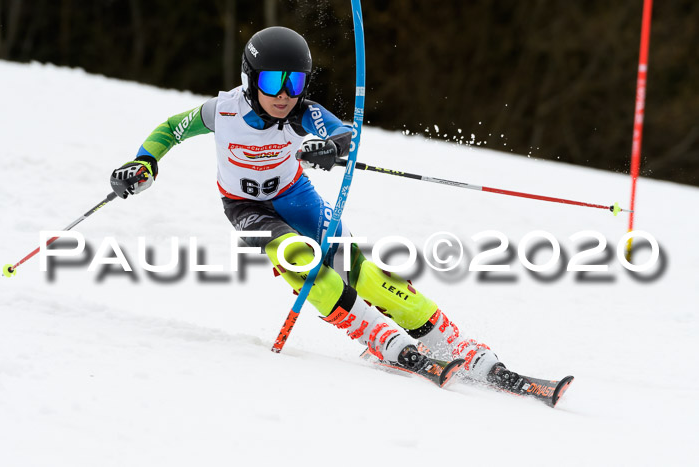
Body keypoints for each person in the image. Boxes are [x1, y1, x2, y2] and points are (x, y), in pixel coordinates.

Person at [109, 26, 518, 389]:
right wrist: (144, 161)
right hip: (247, 208)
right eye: (272, 82)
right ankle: (379, 338)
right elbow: (170, 129)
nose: (284, 95)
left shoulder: (302, 113)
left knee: (360, 272)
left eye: (296, 82)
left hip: (297, 196)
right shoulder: (223, 110)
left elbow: (341, 132)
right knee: (301, 262)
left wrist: (331, 147)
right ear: (250, 80)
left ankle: (451, 342)